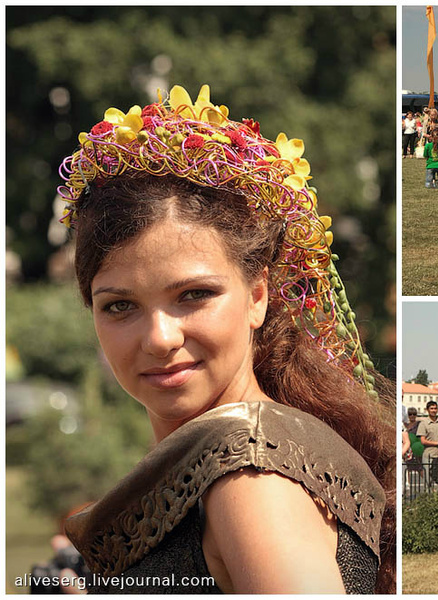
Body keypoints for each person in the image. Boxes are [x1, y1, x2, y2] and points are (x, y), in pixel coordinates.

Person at [57, 84, 394, 593]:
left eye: (193, 295)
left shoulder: (250, 485)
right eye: (119, 306)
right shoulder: (218, 462)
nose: (160, 337)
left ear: (257, 295)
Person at [418, 400, 438, 487]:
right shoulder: (423, 424)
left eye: (435, 408)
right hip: (428, 455)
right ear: (427, 410)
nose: (433, 410)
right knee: (428, 480)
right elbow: (423, 441)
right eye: (431, 408)